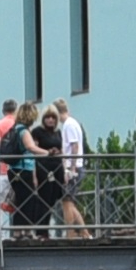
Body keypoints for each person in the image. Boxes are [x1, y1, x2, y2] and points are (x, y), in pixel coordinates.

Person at [1, 102, 46, 240]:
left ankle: (21, 231)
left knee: (23, 200)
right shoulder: (24, 131)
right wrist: (47, 153)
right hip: (22, 170)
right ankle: (22, 232)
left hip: (16, 170)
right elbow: (30, 148)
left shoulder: (15, 128)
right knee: (27, 201)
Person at [53, 98, 90, 237]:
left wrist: (72, 167)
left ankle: (71, 233)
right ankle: (84, 232)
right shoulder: (72, 123)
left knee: (66, 201)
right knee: (69, 201)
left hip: (72, 168)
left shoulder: (69, 125)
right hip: (74, 167)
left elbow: (74, 146)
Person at [30, 109, 66, 237]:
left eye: (53, 117)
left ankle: (46, 229)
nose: (50, 120)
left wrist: (64, 168)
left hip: (57, 168)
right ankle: (41, 230)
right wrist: (47, 152)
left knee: (53, 199)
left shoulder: (58, 133)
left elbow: (62, 150)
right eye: (48, 117)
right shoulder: (37, 132)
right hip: (43, 168)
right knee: (43, 198)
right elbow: (33, 151)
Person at [0, 98, 19, 235]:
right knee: (18, 201)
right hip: (18, 169)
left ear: (3, 111)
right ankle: (19, 232)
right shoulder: (19, 125)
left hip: (2, 169)